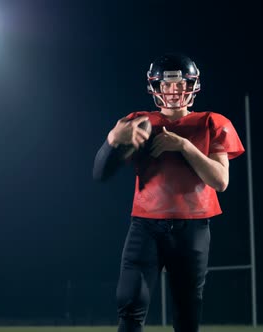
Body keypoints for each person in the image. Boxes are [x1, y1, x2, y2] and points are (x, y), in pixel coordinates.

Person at [93, 53, 245, 332]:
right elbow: (100, 173)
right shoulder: (139, 122)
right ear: (157, 88)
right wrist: (112, 141)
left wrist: (184, 146)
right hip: (145, 226)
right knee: (130, 303)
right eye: (167, 85)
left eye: (180, 84)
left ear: (192, 85)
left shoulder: (212, 122)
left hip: (193, 228)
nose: (174, 91)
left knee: (187, 314)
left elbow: (220, 181)